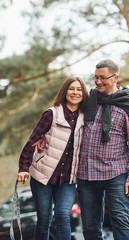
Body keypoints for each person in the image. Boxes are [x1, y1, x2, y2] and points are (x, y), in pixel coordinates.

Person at [77, 59, 129, 240]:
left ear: (116, 78)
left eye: (103, 78)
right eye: (95, 77)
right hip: (86, 173)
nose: (98, 82)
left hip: (116, 173)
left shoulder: (128, 105)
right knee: (90, 227)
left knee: (121, 222)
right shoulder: (89, 100)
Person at [16, 76, 88, 240]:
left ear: (83, 94)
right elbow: (31, 142)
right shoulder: (52, 114)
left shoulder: (86, 118)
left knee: (63, 216)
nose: (75, 92)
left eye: (79, 89)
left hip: (68, 179)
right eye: (71, 89)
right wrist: (23, 168)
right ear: (65, 92)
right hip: (43, 176)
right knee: (44, 219)